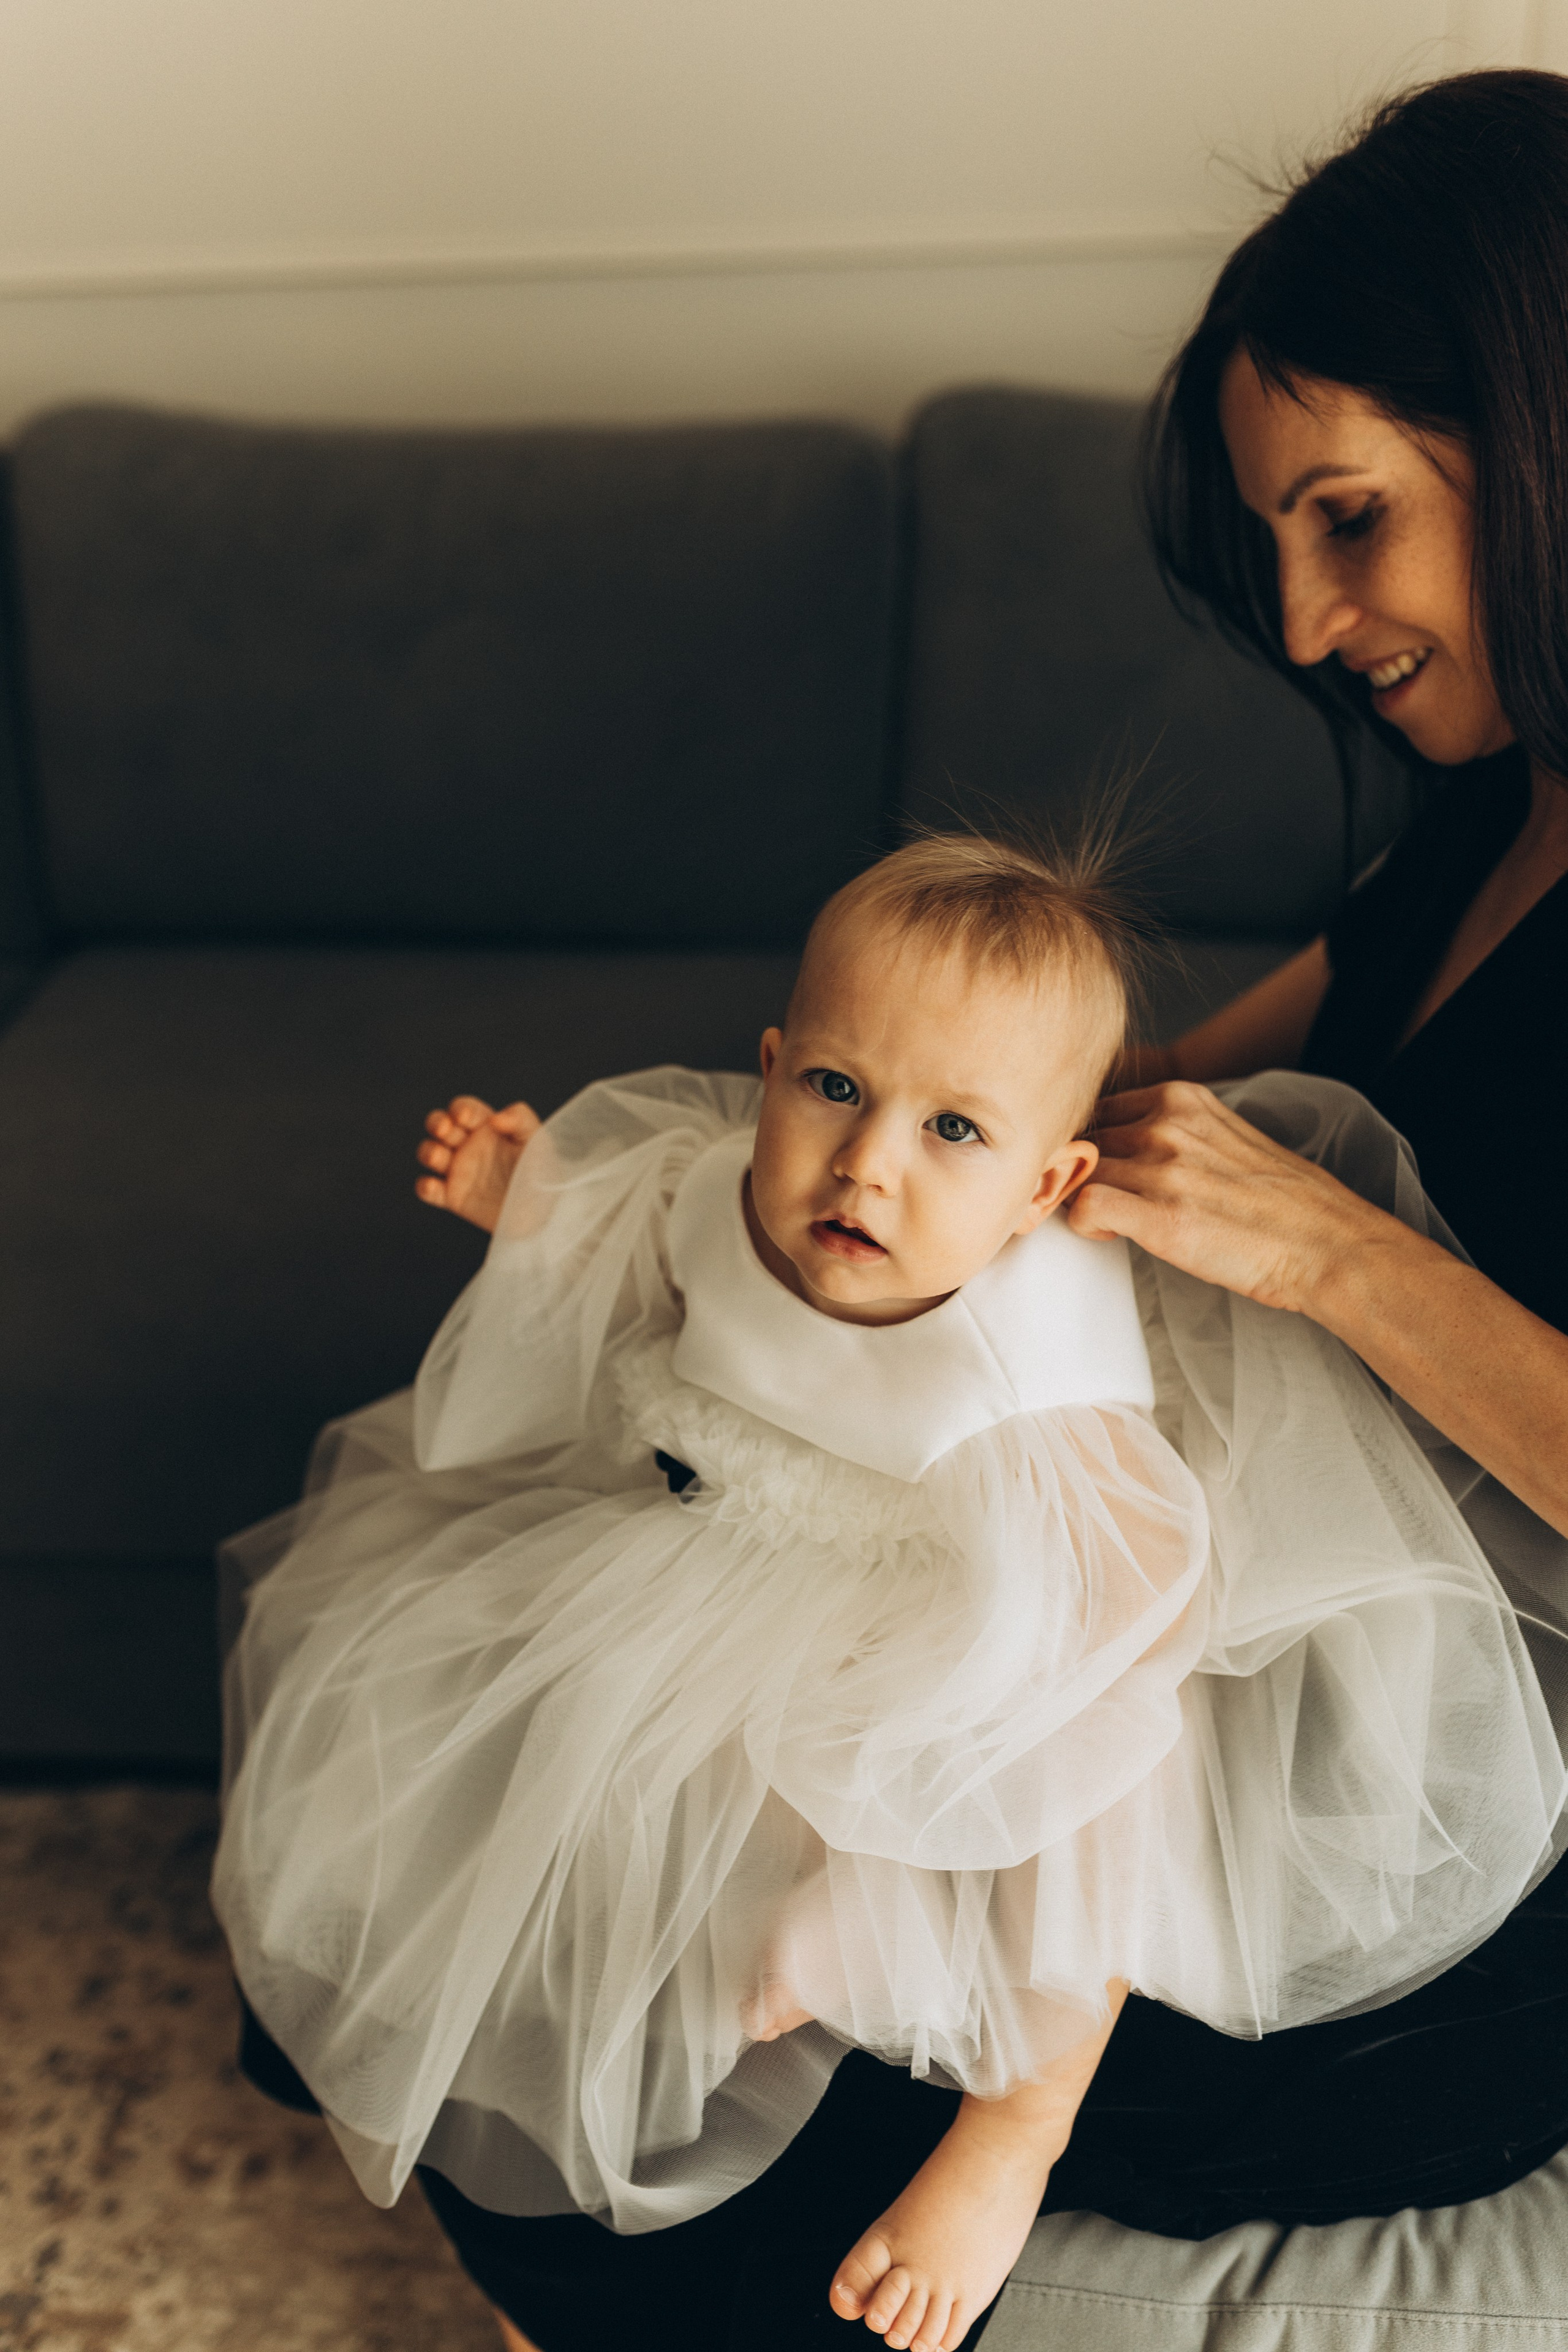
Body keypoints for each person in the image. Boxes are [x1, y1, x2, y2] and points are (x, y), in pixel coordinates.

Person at [217, 831, 1562, 2352]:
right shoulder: (732, 1185)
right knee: (468, 1736)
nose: (867, 1163)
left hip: (992, 1627)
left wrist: (942, 1796)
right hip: (706, 1549)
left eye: (955, 1132)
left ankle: (1007, 2136)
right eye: (836, 1089)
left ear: (1048, 1183)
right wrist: (523, 1194)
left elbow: (1120, 1641)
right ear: (774, 1065)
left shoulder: (1028, 1358)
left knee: (1099, 1818)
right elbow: (640, 1228)